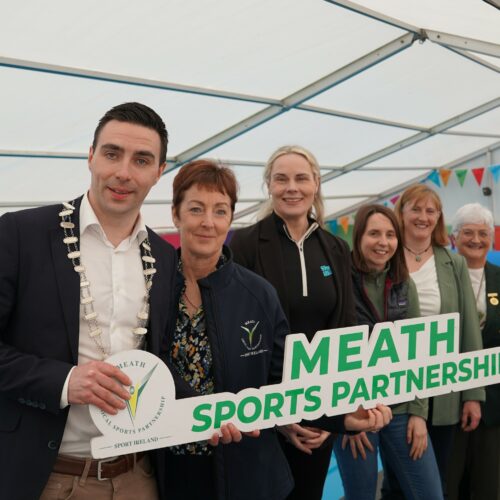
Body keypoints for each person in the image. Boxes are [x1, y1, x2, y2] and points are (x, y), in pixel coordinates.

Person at [163, 159, 392, 500]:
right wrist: (205, 413)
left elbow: (284, 375)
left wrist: (342, 415)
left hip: (248, 466)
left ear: (230, 218)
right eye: (196, 209)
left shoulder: (257, 294)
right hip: (171, 467)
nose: (208, 223)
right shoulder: (152, 289)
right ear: (175, 214)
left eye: (220, 211)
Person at [0, 102, 178, 500]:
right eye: (112, 154)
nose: (123, 173)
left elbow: (161, 364)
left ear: (159, 172)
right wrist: (63, 381)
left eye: (142, 160)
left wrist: (223, 412)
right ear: (91, 156)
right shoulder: (19, 234)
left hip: (137, 476)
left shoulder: (165, 259)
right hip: (45, 478)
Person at [230, 145, 359, 500]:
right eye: (281, 179)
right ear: (269, 186)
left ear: (316, 184)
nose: (292, 187)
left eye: (301, 178)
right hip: (261, 413)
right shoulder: (245, 244)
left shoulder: (335, 248)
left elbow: (346, 329)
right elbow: (236, 334)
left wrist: (335, 414)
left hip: (319, 410)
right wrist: (277, 416)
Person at [333, 204, 443, 500]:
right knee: (361, 495)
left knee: (430, 494)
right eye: (374, 234)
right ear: (358, 237)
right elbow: (332, 352)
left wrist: (419, 413)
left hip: (402, 408)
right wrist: (347, 416)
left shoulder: (405, 285)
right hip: (357, 409)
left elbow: (419, 352)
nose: (383, 242)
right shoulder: (339, 283)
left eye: (390, 234)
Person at [388, 185, 485, 496]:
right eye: (415, 209)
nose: (423, 217)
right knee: (396, 481)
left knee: (436, 478)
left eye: (431, 211)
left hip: (443, 388)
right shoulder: (386, 255)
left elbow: (468, 327)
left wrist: (472, 393)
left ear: (439, 218)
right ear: (401, 213)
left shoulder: (452, 262)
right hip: (396, 387)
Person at [447, 203, 500, 500]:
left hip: (493, 400)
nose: (476, 239)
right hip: (448, 396)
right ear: (454, 237)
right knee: (448, 482)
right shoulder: (443, 277)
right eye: (468, 232)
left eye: (483, 233)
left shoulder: (499, 277)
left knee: (487, 483)